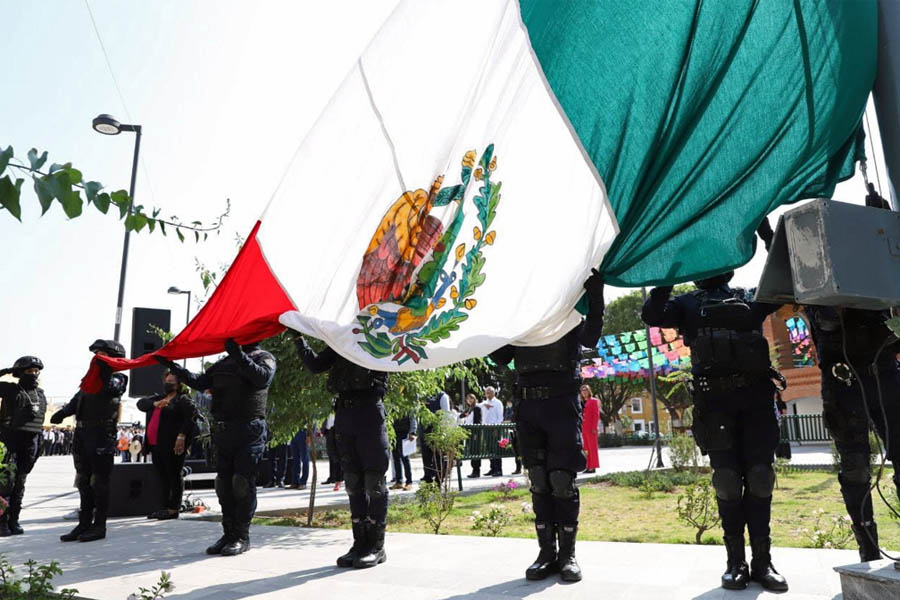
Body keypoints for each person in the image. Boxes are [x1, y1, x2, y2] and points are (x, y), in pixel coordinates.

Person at [642, 272, 788, 592]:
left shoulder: (749, 296)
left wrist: (767, 236)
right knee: (727, 481)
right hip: (714, 404)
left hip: (756, 400)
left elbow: (785, 285)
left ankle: (763, 561)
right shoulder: (686, 304)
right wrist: (669, 273)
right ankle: (735, 562)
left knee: (761, 477)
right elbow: (651, 314)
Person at [489, 270, 606, 582]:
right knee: (538, 480)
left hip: (560, 405)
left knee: (560, 480)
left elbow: (591, 336)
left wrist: (596, 296)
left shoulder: (566, 315)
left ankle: (568, 554)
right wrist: (492, 317)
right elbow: (500, 357)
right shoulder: (522, 320)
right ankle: (546, 553)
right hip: (528, 406)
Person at [156, 338, 275, 557]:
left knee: (242, 483)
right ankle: (228, 533)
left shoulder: (263, 357)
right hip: (224, 430)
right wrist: (174, 366)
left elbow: (262, 378)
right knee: (224, 484)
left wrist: (239, 355)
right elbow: (200, 382)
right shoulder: (224, 362)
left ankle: (241, 536)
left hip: (249, 429)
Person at [804, 304, 900, 562]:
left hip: (886, 375)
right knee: (855, 468)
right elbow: (824, 321)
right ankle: (868, 551)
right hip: (842, 381)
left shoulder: (881, 272)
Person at [293, 333, 390, 569]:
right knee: (353, 482)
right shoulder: (340, 341)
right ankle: (359, 544)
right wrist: (298, 338)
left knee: (374, 482)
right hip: (346, 415)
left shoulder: (379, 337)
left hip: (369, 414)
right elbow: (316, 365)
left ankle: (376, 547)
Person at [51, 339, 128, 543]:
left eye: (102, 354)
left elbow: (111, 389)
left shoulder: (118, 377)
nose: (97, 358)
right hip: (83, 433)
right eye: (96, 354)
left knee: (100, 482)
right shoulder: (89, 380)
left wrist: (104, 370)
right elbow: (77, 400)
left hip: (102, 434)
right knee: (83, 480)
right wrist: (62, 413)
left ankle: (99, 525)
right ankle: (84, 523)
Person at [136, 369, 197, 520]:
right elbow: (141, 404)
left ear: (178, 385)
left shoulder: (182, 400)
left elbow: (191, 419)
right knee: (162, 476)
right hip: (155, 444)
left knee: (174, 475)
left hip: (173, 444)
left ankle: (173, 508)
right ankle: (164, 506)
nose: (167, 384)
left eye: (171, 382)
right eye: (166, 381)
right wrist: (156, 403)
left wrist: (181, 436)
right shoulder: (159, 398)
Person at [0, 356, 47, 536]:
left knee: (20, 483)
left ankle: (14, 520)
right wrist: (6, 371)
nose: (34, 374)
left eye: (36, 371)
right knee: (6, 484)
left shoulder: (40, 393)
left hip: (31, 442)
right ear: (19, 373)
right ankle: (2, 522)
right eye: (29, 371)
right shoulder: (10, 389)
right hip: (10, 440)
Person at [420, 390, 451, 484]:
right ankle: (428, 480)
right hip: (424, 430)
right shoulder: (422, 394)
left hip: (438, 431)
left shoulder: (442, 396)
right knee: (426, 457)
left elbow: (446, 414)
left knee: (438, 457)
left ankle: (439, 481)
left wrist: (443, 432)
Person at [390, 410, 417, 491]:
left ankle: (409, 482)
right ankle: (399, 482)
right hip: (393, 433)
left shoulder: (407, 402)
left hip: (405, 433)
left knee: (405, 458)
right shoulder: (391, 402)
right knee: (396, 458)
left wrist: (412, 432)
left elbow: (413, 418)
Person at [480, 387, 505, 477]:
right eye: (487, 392)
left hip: (494, 428)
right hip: (486, 428)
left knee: (496, 449)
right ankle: (493, 468)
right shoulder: (484, 403)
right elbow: (478, 405)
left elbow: (500, 417)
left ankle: (498, 469)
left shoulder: (498, 403)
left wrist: (496, 428)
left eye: (490, 392)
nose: (488, 394)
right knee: (489, 449)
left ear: (494, 393)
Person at [460, 393, 483, 478]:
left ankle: (476, 471)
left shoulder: (477, 408)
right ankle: (474, 470)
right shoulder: (469, 409)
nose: (469, 400)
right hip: (469, 433)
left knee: (476, 451)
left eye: (471, 399)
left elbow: (478, 422)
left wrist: (476, 434)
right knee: (472, 451)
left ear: (474, 399)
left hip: (475, 433)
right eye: (468, 399)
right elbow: (460, 416)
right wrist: (464, 414)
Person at [320, 405, 343, 491]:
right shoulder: (326, 403)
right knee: (331, 454)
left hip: (338, 429)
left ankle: (339, 479)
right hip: (329, 430)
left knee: (338, 455)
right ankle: (332, 476)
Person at [580, 384, 600, 474]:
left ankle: (593, 466)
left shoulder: (594, 401)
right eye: (582, 390)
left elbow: (596, 415)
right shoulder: (581, 402)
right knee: (586, 449)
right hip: (583, 428)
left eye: (586, 390)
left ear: (589, 391)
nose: (584, 392)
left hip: (591, 428)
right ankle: (588, 465)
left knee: (592, 448)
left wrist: (595, 427)